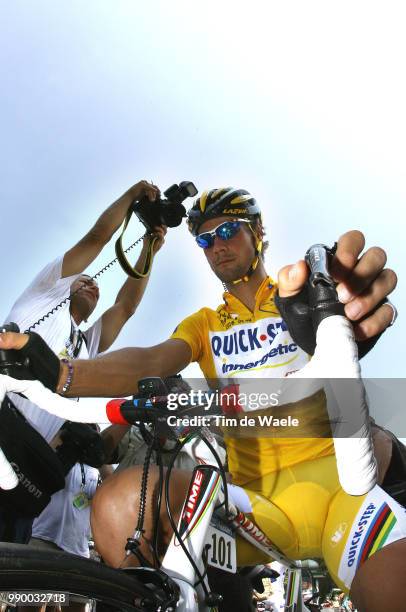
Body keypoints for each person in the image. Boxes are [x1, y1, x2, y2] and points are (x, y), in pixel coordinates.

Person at [0, 187, 402, 612]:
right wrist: (61, 373)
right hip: (254, 506)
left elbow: (343, 324)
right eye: (205, 240)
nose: (217, 247)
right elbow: (151, 360)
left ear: (258, 231)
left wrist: (341, 329)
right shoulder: (203, 324)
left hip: (342, 489)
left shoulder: (294, 296)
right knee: (120, 506)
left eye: (227, 231)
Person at [0, 179, 166, 545]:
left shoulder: (86, 346)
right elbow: (97, 238)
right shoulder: (43, 296)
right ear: (67, 283)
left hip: (26, 467)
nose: (93, 285)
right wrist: (131, 196)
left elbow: (126, 307)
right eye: (84, 280)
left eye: (97, 285)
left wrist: (150, 247)